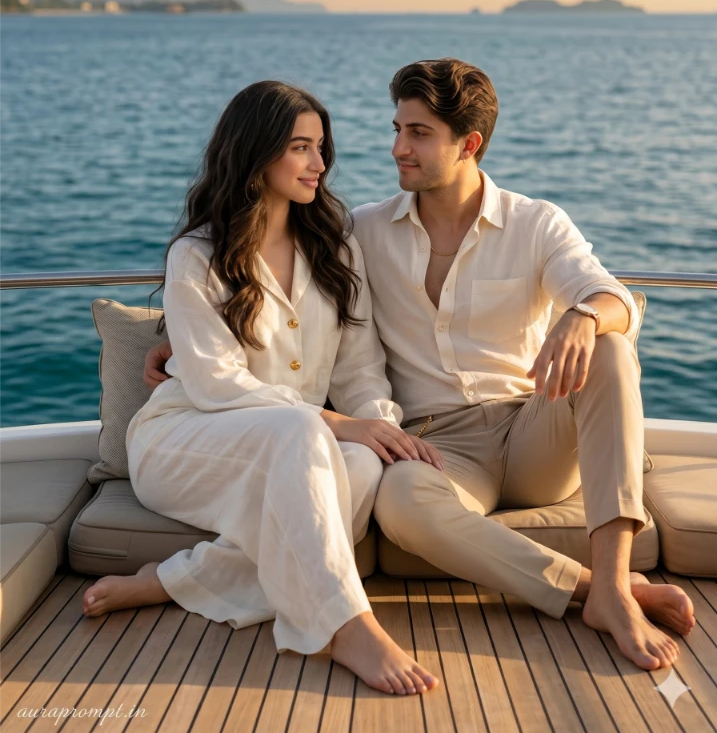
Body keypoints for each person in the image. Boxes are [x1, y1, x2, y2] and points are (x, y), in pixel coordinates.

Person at [144, 60, 696, 674]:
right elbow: (261, 283)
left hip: (532, 429)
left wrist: (586, 317)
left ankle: (616, 583)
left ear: (469, 144)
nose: (396, 148)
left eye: (418, 133)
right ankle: (592, 592)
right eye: (397, 128)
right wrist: (173, 333)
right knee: (398, 501)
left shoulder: (536, 222)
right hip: (438, 445)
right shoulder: (359, 234)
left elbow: (610, 296)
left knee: (612, 348)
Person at [82, 80, 441, 696]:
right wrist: (336, 424)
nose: (319, 165)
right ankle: (347, 624)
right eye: (301, 148)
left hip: (289, 442)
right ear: (257, 152)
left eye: (321, 148)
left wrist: (376, 425)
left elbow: (359, 369)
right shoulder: (197, 255)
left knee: (359, 465)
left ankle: (170, 580)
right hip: (184, 441)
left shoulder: (336, 248)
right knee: (310, 427)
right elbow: (217, 384)